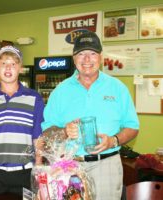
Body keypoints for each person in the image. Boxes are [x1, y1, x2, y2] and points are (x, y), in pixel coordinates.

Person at [41, 31, 139, 199]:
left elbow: (133, 127)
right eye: (81, 54)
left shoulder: (118, 88)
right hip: (70, 168)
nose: (87, 59)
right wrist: (64, 131)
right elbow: (47, 133)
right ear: (73, 58)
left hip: (107, 166)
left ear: (100, 57)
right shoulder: (60, 91)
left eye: (92, 53)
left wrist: (113, 141)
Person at [0, 46, 45, 198]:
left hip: (25, 173)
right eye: (4, 63)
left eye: (13, 63)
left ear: (20, 68)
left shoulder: (35, 98)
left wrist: (38, 170)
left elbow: (38, 137)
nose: (8, 67)